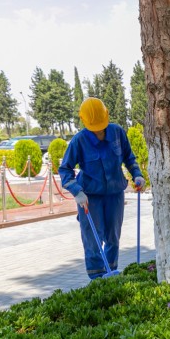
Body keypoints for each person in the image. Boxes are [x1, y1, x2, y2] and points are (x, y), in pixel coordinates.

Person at [59, 97, 145, 279]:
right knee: (93, 239)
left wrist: (137, 174)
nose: (98, 129)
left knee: (113, 237)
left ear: (106, 116)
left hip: (114, 194)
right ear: (84, 121)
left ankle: (110, 273)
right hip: (90, 196)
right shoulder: (79, 141)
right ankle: (97, 281)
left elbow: (129, 157)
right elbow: (65, 169)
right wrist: (77, 191)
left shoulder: (117, 133)